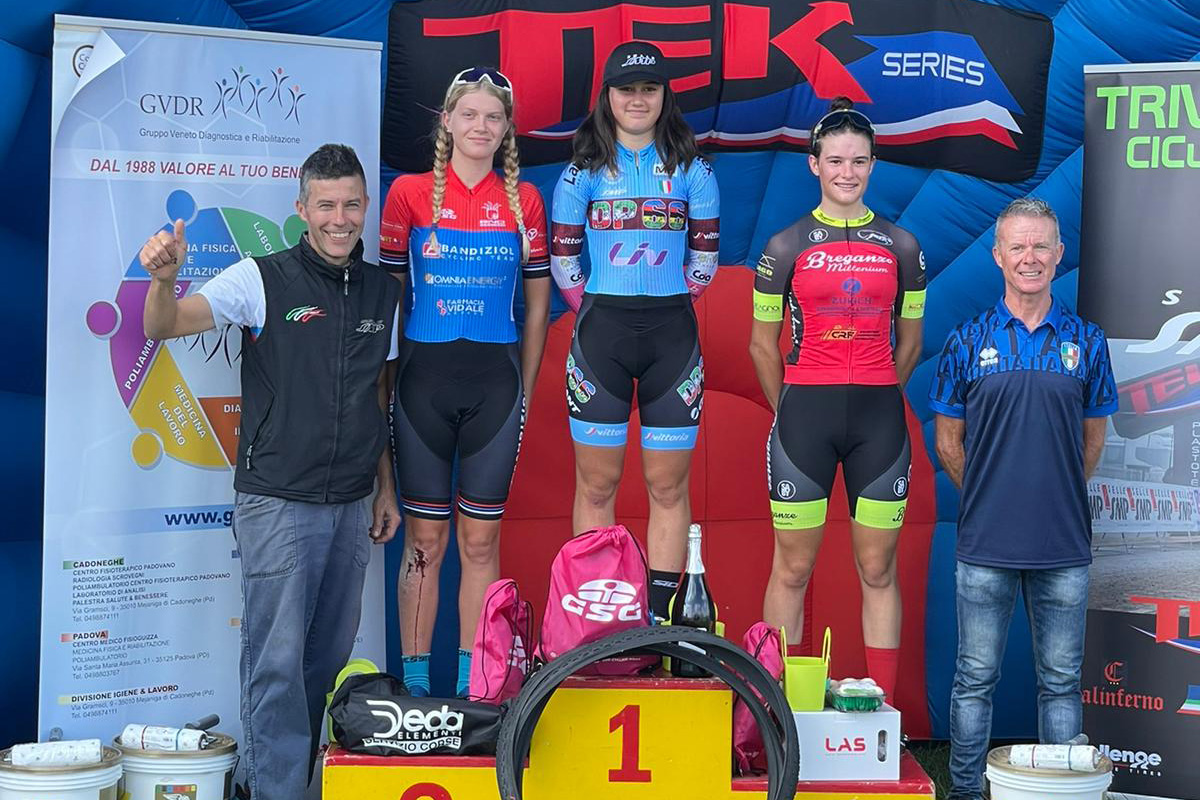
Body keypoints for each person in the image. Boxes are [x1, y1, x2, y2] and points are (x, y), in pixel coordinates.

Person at [139, 143, 401, 800]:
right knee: (275, 666)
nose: (340, 219)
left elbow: (378, 393)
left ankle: (290, 786)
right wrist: (164, 281)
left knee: (324, 663)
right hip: (277, 502)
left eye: (351, 205)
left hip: (351, 502)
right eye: (326, 205)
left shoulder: (383, 290)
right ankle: (271, 791)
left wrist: (385, 487)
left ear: (365, 206)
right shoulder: (259, 278)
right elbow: (165, 326)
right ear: (302, 209)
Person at [929, 197, 1116, 800]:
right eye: (1018, 246)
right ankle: (965, 792)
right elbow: (948, 443)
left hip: (1064, 545)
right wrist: (991, 495)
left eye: (1040, 246)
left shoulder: (1087, 342)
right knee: (974, 679)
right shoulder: (967, 340)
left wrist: (1050, 493)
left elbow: (1091, 443)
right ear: (998, 256)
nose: (1029, 257)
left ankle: (1059, 793)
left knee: (1060, 683)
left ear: (1059, 254)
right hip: (985, 542)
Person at [379, 67, 551, 698]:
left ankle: (476, 690)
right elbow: (389, 300)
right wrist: (385, 385)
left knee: (480, 540)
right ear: (447, 122)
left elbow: (538, 306)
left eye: (494, 117)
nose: (481, 127)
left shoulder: (524, 201)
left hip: (496, 389)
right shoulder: (408, 194)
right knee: (425, 540)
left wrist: (524, 385)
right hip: (421, 384)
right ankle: (417, 695)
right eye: (470, 115)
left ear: (506, 130)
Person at [748, 98, 925, 701]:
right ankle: (777, 712)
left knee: (877, 569)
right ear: (814, 164)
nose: (847, 172)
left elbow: (911, 342)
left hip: (880, 420)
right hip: (805, 418)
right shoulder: (784, 246)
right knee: (792, 568)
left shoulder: (902, 246)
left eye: (858, 161)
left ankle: (886, 714)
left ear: (872, 165)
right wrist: (789, 407)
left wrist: (880, 387)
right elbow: (761, 345)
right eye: (835, 160)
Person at [550, 41, 720, 619]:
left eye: (649, 89)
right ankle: (597, 621)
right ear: (608, 96)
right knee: (597, 488)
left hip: (673, 336)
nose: (638, 99)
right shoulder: (580, 172)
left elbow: (704, 261)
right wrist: (599, 307)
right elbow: (564, 262)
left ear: (665, 95)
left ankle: (661, 625)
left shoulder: (695, 170)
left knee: (668, 489)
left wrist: (666, 301)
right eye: (627, 89)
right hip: (602, 335)